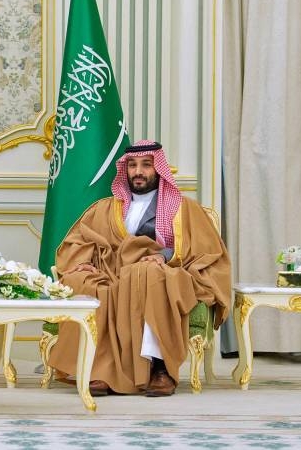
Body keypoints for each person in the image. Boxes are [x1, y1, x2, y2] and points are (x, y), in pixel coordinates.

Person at [48, 140, 231, 397]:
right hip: (113, 271)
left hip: (167, 272)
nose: (138, 172)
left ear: (159, 169)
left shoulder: (182, 208)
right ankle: (99, 371)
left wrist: (163, 257)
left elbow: (204, 250)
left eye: (146, 165)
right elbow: (80, 240)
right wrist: (85, 262)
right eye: (132, 165)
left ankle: (160, 368)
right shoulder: (107, 208)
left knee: (146, 274)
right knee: (83, 281)